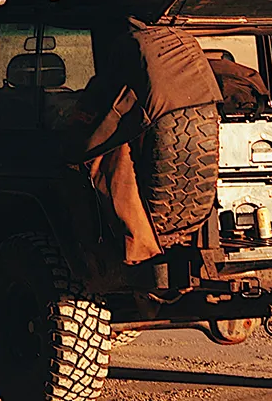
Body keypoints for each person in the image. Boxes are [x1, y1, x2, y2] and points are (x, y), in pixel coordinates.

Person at [65, 20, 220, 264]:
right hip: (189, 209)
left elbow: (90, 136)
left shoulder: (126, 67)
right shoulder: (190, 71)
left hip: (151, 212)